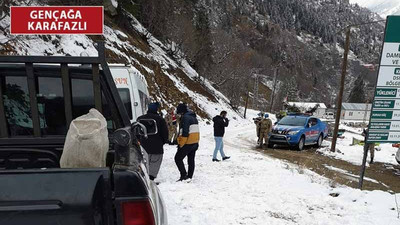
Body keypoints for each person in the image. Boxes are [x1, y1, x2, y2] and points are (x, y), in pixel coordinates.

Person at [137, 102, 169, 181]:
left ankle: (143, 178)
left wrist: (139, 140)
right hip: (156, 146)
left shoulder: (140, 119)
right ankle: (151, 179)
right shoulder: (160, 120)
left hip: (143, 145)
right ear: (156, 109)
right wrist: (163, 141)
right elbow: (165, 133)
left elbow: (136, 131)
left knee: (144, 162)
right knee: (154, 163)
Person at [174, 103, 200, 181]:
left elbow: (185, 132)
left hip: (188, 142)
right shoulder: (193, 117)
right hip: (195, 142)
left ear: (181, 112)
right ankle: (190, 176)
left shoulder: (185, 118)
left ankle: (183, 175)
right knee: (191, 160)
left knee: (177, 158)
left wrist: (181, 143)